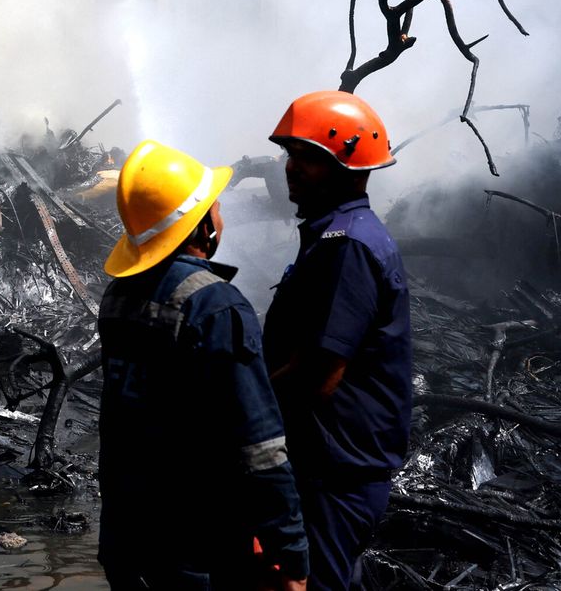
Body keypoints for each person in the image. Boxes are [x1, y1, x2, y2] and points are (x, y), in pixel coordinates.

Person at [99, 140, 308, 590]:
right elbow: (258, 443)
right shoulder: (215, 305)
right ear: (200, 226)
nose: (221, 212)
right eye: (214, 206)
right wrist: (291, 553)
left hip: (126, 536)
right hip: (196, 545)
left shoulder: (116, 297)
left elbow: (116, 424)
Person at [263, 91, 412, 591]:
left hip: (334, 475)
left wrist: (247, 411)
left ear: (349, 166)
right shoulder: (339, 235)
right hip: (331, 467)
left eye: (307, 157)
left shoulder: (347, 246)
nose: (291, 168)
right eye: (291, 155)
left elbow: (320, 375)